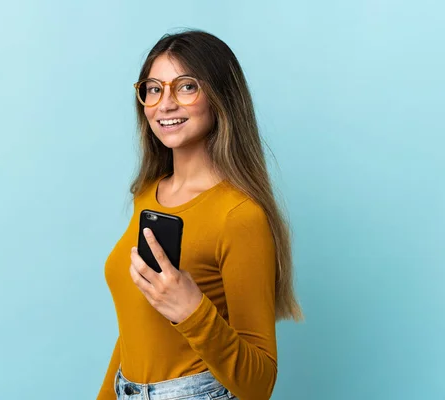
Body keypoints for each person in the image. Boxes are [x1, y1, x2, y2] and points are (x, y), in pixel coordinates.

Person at [97, 29, 303, 400]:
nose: (165, 104)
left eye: (186, 87)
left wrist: (191, 309)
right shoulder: (148, 194)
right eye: (154, 88)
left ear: (221, 97)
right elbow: (134, 330)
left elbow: (259, 385)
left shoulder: (239, 215)